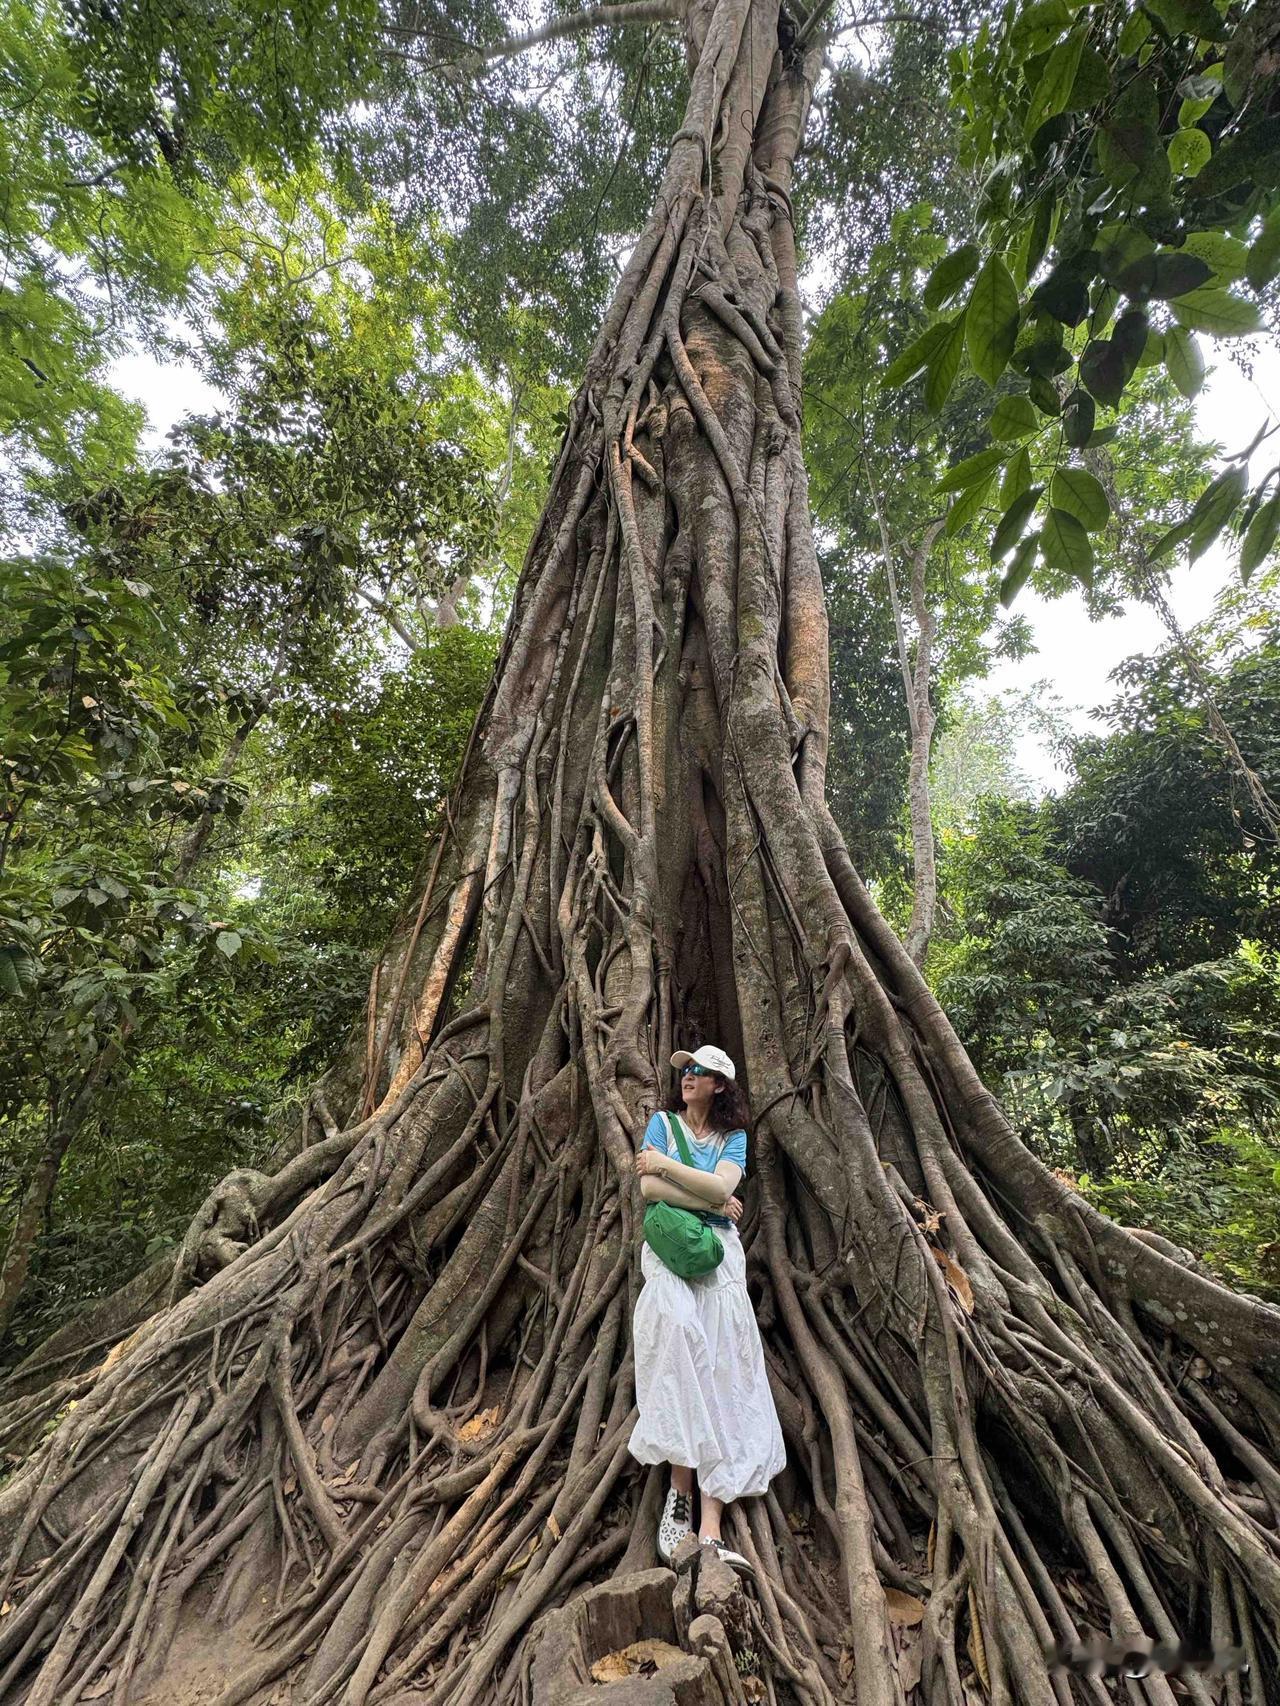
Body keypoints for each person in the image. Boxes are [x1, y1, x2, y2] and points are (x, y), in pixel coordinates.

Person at [628, 1044, 787, 1573]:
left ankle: (711, 1525)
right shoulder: (661, 1123)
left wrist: (683, 1179)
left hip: (719, 1257)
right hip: (670, 1251)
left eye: (697, 1071)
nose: (687, 1077)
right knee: (675, 1339)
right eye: (685, 1070)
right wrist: (713, 1201)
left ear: (719, 1083)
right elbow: (649, 1189)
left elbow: (717, 1182)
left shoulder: (733, 1139)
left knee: (722, 1366)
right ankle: (678, 1498)